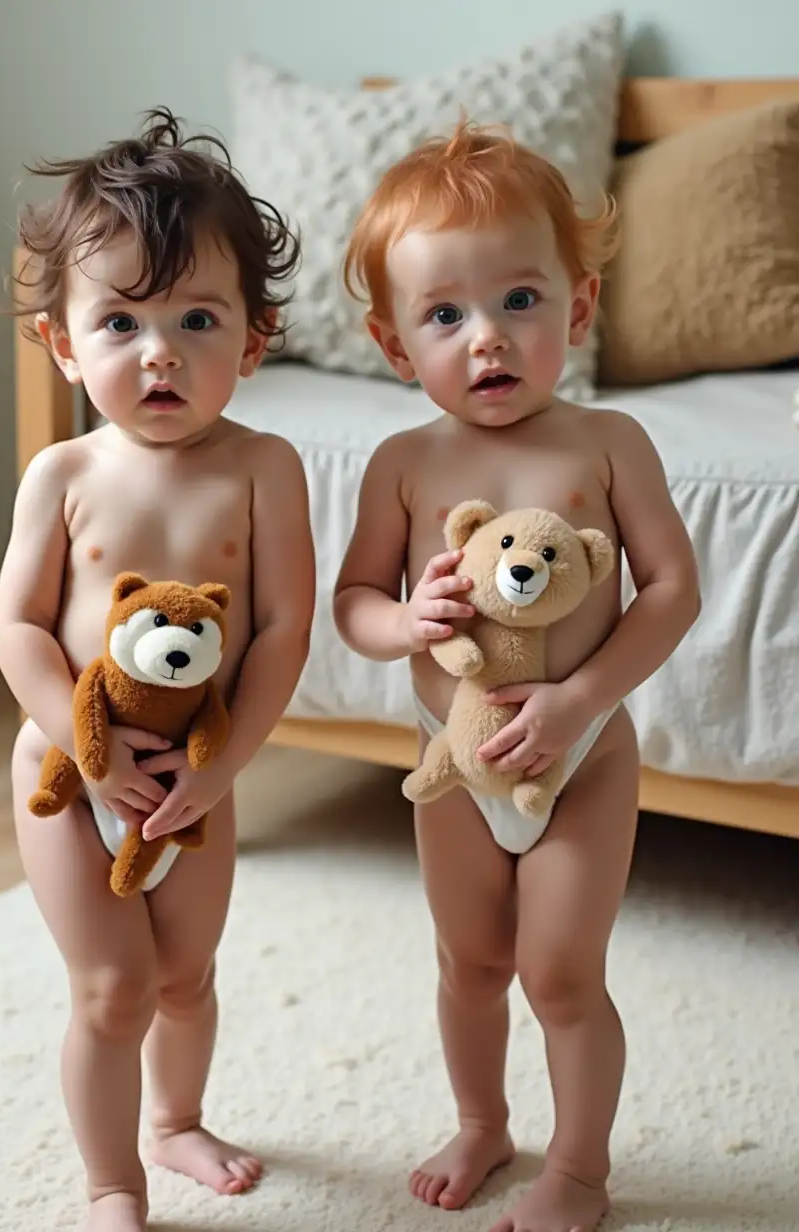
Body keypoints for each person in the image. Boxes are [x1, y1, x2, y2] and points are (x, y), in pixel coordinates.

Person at [334, 122, 700, 1232]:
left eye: (520, 300)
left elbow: (671, 589)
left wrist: (582, 699)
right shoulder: (401, 464)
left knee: (559, 973)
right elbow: (351, 603)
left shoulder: (607, 441)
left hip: (581, 756)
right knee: (469, 962)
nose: (485, 337)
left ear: (577, 308)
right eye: (443, 315)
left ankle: (579, 1170)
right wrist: (407, 618)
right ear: (395, 345)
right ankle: (483, 1118)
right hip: (454, 764)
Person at [0, 109, 315, 1232]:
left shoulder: (266, 468)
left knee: (184, 977)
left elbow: (279, 631)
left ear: (254, 335)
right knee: (113, 986)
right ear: (63, 342)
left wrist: (221, 777)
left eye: (195, 318)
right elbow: (20, 632)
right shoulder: (63, 472)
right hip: (67, 779)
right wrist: (83, 752)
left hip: (194, 782)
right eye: (120, 321)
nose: (159, 352)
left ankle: (174, 1119)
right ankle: (110, 1182)